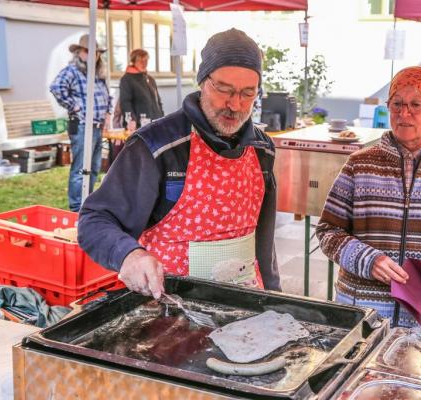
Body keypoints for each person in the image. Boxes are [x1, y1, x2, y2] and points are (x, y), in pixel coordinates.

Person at [78, 28, 280, 299]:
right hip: (172, 309)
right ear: (202, 81)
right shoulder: (157, 146)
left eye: (248, 93)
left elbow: (264, 242)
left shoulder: (262, 149)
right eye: (224, 89)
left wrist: (276, 296)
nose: (235, 104)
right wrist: (129, 254)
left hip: (244, 305)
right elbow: (95, 218)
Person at [316, 66, 421, 333]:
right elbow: (328, 231)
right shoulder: (359, 165)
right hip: (362, 312)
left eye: (416, 104)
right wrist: (367, 259)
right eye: (397, 104)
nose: (404, 113)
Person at [50, 34, 112, 212]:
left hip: (97, 125)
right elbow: (56, 87)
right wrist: (74, 106)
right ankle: (76, 207)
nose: (94, 55)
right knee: (80, 168)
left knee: (93, 167)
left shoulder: (98, 73)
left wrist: (107, 113)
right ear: (80, 52)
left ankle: (87, 202)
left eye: (97, 52)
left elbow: (107, 94)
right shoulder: (72, 70)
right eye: (88, 51)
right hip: (82, 124)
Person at [119, 48, 164, 131]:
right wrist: (131, 120)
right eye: (140, 61)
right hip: (139, 126)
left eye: (146, 60)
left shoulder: (150, 79)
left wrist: (162, 117)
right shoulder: (127, 79)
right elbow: (125, 102)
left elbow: (158, 101)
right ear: (133, 62)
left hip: (156, 123)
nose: (144, 63)